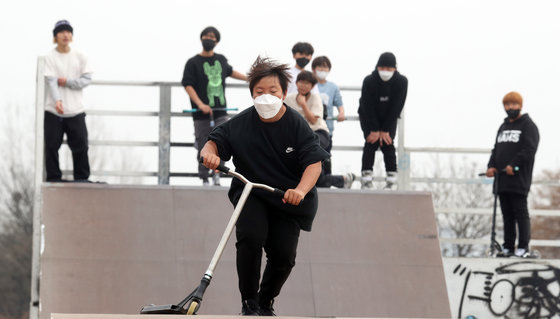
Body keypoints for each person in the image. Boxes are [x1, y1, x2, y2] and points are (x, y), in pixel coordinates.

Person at [200, 57, 328, 315]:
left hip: (287, 197)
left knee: (283, 256)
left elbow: (314, 164)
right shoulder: (241, 123)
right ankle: (249, 303)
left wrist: (300, 191)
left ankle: (265, 301)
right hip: (253, 192)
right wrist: (210, 155)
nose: (266, 96)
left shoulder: (296, 125)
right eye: (260, 92)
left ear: (284, 93)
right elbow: (212, 143)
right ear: (251, 94)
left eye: (273, 91)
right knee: (250, 237)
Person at [181, 26, 247, 186]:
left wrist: (251, 79)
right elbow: (188, 85)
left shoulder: (221, 60)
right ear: (201, 38)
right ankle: (204, 177)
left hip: (221, 112)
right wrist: (200, 104)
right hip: (201, 113)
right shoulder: (193, 62)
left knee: (222, 142)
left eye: (212, 37)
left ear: (216, 41)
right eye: (206, 36)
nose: (209, 39)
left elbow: (230, 72)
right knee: (204, 144)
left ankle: (218, 174)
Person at [486, 91, 539, 258]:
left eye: (513, 104)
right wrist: (491, 166)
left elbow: (529, 150)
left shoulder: (528, 126)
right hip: (501, 180)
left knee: (520, 213)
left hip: (518, 179)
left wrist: (514, 165)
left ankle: (523, 247)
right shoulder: (503, 127)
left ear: (520, 106)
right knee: (507, 215)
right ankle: (508, 246)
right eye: (507, 105)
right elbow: (496, 150)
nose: (510, 108)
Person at [284, 71, 354, 189]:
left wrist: (304, 105)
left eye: (307, 83)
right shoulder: (289, 99)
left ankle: (338, 178)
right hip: (299, 137)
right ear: (296, 83)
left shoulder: (316, 98)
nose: (304, 85)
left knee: (308, 152)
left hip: (318, 133)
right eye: (301, 82)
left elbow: (313, 120)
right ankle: (344, 179)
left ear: (312, 86)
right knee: (317, 178)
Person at [44, 20, 93, 182]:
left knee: (81, 147)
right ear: (55, 36)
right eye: (61, 32)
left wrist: (68, 82)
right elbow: (51, 80)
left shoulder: (80, 56)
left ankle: (82, 179)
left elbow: (86, 79)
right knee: (51, 146)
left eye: (68, 32)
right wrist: (57, 100)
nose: (65, 35)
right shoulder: (49, 57)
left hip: (75, 110)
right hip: (53, 110)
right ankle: (54, 178)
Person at [358, 52, 408, 190]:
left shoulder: (402, 81)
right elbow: (367, 105)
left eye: (389, 68)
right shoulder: (369, 80)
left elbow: (397, 105)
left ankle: (392, 179)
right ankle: (366, 179)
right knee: (371, 142)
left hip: (389, 116)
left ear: (395, 68)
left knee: (388, 142)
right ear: (377, 67)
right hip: (368, 115)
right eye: (382, 68)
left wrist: (385, 130)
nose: (385, 71)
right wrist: (374, 129)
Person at [312, 56, 345, 174]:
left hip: (327, 129)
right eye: (320, 67)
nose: (322, 70)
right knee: (312, 157)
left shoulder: (333, 87)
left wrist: (341, 113)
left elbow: (339, 103)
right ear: (314, 69)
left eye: (325, 67)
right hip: (311, 126)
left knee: (326, 156)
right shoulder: (310, 85)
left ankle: (327, 180)